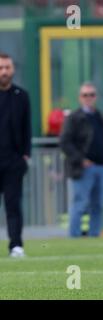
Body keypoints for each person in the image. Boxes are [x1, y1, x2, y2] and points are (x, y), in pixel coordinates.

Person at [60, 82, 103, 237]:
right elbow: (65, 142)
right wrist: (81, 159)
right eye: (85, 95)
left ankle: (94, 235)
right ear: (80, 98)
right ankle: (74, 236)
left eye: (92, 94)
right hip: (83, 168)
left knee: (98, 205)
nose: (88, 98)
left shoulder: (99, 116)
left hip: (101, 167)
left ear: (96, 97)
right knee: (80, 204)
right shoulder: (74, 117)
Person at [0, 52, 31, 258]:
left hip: (13, 162)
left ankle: (16, 245)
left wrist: (26, 155)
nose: (4, 72)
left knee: (13, 205)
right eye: (1, 68)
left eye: (7, 67)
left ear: (13, 69)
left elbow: (27, 127)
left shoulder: (22, 96)